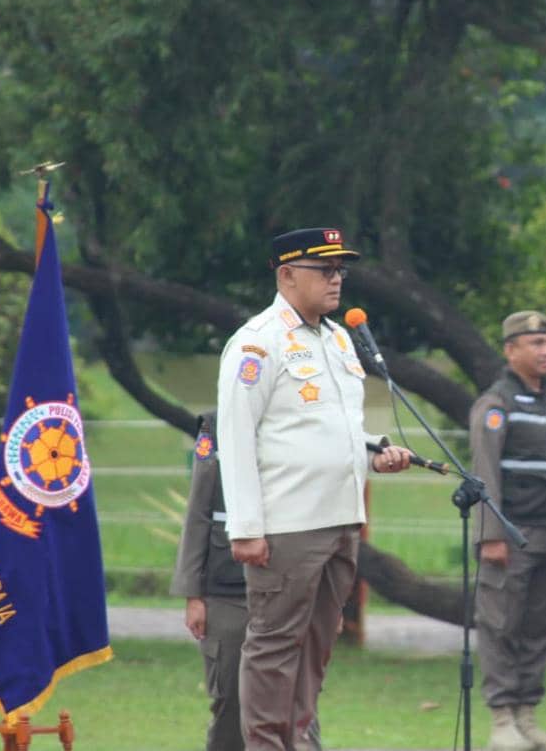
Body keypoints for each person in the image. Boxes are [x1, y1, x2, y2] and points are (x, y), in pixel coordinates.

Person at [216, 227, 412, 751]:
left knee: (317, 646)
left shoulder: (337, 337)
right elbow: (235, 439)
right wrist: (247, 528)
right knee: (274, 648)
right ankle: (265, 744)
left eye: (340, 269)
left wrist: (375, 451)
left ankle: (301, 739)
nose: (336, 279)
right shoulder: (258, 342)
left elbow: (327, 426)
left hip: (340, 519)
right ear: (286, 275)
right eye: (324, 270)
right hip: (287, 524)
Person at [171, 412, 325, 751]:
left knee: (297, 703)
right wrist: (193, 594)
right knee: (230, 701)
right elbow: (198, 512)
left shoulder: (301, 423)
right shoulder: (217, 426)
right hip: (227, 590)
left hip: (289, 587)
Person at [471, 309, 546, 751]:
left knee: (539, 626)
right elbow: (484, 472)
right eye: (535, 344)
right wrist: (491, 533)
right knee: (501, 624)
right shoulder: (496, 404)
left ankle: (527, 716)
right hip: (513, 534)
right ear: (510, 349)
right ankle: (502, 720)